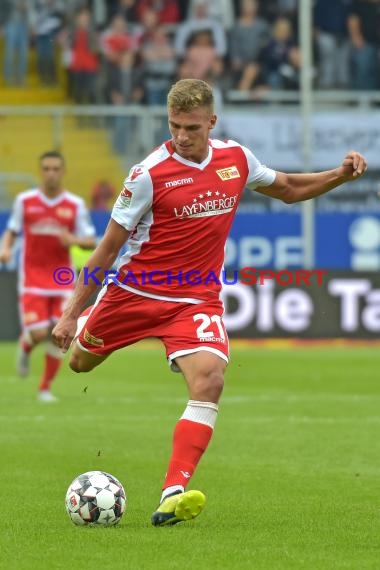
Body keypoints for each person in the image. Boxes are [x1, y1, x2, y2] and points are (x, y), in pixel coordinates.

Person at [51, 79, 367, 526]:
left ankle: (172, 492)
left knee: (211, 380)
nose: (182, 136)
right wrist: (70, 314)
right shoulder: (148, 174)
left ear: (211, 123)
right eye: (175, 126)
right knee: (80, 363)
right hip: (135, 293)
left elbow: (290, 188)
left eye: (192, 127)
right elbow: (106, 250)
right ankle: (85, 327)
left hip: (195, 300)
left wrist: (338, 174)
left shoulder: (235, 159)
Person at [0, 151, 96, 402]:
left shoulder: (74, 205)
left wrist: (72, 240)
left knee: (60, 334)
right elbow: (12, 230)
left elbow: (90, 241)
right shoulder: (25, 201)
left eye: (56, 168)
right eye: (46, 168)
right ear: (41, 171)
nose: (51, 173)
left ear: (63, 172)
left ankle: (44, 389)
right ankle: (25, 345)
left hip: (61, 279)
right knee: (39, 333)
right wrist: (6, 248)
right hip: (32, 278)